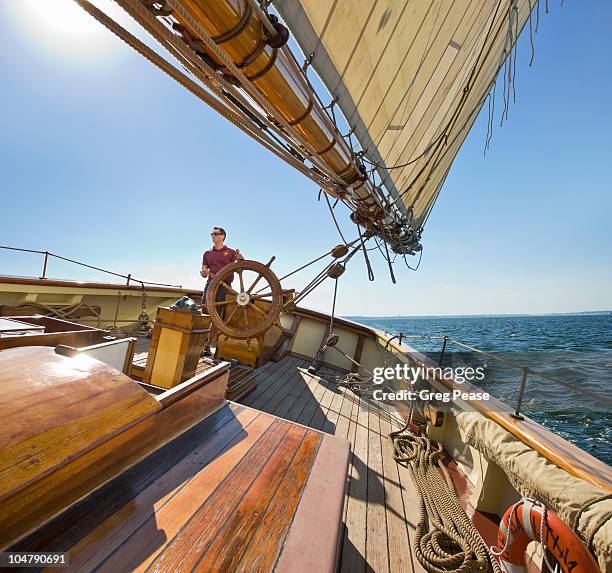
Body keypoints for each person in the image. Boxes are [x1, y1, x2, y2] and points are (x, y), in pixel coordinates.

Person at [200, 226, 242, 356]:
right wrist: (204, 272)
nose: (213, 236)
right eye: (211, 234)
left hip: (225, 287)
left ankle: (207, 345)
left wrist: (240, 258)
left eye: (215, 234)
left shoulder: (231, 252)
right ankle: (200, 342)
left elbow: (240, 266)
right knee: (205, 313)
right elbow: (203, 272)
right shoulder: (207, 253)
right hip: (210, 284)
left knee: (216, 317)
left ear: (222, 236)